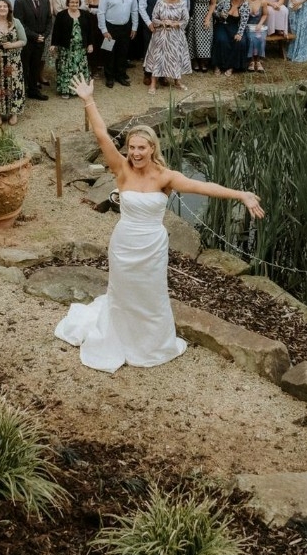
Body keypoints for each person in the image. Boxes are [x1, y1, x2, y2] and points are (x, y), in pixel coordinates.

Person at [55, 75, 264, 373]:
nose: (136, 153)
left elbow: (204, 188)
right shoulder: (122, 170)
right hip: (124, 243)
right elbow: (101, 135)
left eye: (142, 148)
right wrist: (89, 100)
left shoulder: (167, 178)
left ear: (153, 148)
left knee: (150, 295)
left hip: (152, 245)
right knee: (123, 292)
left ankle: (150, 344)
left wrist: (241, 194)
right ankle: (118, 337)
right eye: (131, 148)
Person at [143, 0, 191, 94]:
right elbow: (154, 18)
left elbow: (186, 19)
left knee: (175, 57)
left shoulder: (182, 3)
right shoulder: (160, 2)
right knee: (158, 58)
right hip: (161, 35)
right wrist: (162, 22)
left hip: (176, 36)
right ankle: (153, 83)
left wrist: (175, 24)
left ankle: (177, 81)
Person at [0, 0, 26, 125]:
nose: (2, 8)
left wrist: (12, 45)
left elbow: (23, 40)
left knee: (14, 85)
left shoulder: (16, 22)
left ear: (9, 9)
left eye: (5, 6)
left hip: (13, 60)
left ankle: (14, 113)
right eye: (0, 6)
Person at [97, 0, 138, 88]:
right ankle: (109, 77)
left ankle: (120, 75)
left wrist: (134, 27)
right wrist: (104, 30)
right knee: (108, 52)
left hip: (125, 27)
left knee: (123, 52)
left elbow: (134, 10)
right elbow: (101, 12)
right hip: (110, 27)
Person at [13, 0, 51, 101]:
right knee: (25, 66)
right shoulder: (20, 1)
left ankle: (34, 90)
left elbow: (49, 20)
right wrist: (35, 36)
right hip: (27, 41)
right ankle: (22, 92)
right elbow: (20, 24)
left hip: (41, 40)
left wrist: (44, 35)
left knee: (36, 66)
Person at [50, 0, 94, 98]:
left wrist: (90, 44)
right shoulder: (61, 15)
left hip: (80, 49)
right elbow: (56, 31)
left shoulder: (85, 14)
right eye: (72, 2)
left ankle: (80, 90)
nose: (74, 4)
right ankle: (65, 90)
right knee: (66, 69)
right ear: (68, 3)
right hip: (66, 49)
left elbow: (90, 31)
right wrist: (54, 44)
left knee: (80, 70)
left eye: (76, 2)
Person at [211, 0, 250, 76]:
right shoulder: (225, 1)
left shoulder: (245, 5)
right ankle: (217, 65)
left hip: (236, 27)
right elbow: (214, 10)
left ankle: (231, 66)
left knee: (240, 42)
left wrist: (240, 34)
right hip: (223, 25)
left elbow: (244, 21)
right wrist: (220, 14)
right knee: (221, 40)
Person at [245, 0, 268, 73]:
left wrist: (260, 24)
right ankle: (251, 61)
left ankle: (258, 61)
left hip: (258, 26)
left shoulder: (263, 2)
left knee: (260, 38)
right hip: (247, 26)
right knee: (251, 38)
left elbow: (265, 15)